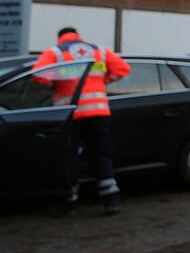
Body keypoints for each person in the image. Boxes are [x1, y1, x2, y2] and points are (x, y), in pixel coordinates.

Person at [32, 27, 131, 215]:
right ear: (78, 36)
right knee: (101, 155)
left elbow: (39, 75)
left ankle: (69, 202)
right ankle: (111, 200)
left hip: (71, 114)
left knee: (70, 156)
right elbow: (123, 68)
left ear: (60, 37)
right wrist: (104, 80)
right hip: (99, 112)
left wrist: (54, 83)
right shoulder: (98, 50)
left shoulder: (56, 52)